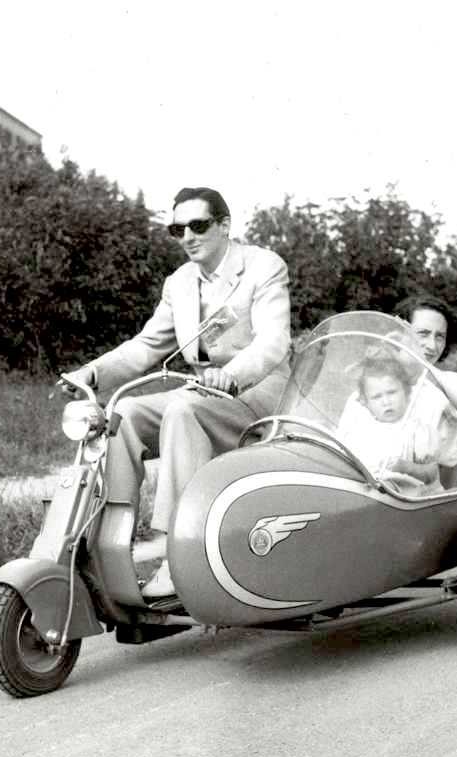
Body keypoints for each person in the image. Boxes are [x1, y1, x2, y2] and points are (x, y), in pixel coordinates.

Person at [63, 187, 291, 597]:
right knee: (125, 415)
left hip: (259, 395)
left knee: (183, 410)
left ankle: (179, 556)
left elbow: (273, 342)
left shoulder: (262, 266)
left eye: (198, 226)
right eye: (176, 229)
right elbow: (147, 345)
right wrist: (91, 373)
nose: (187, 236)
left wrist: (232, 375)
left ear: (225, 226)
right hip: (204, 394)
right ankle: (109, 549)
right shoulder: (180, 282)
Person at [336, 347, 457, 495]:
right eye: (377, 397)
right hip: (372, 497)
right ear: (365, 402)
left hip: (410, 502)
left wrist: (405, 467)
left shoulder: (417, 430)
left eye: (392, 392)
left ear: (406, 393)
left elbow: (431, 474)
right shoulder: (362, 430)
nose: (386, 401)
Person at [396, 295, 457, 426]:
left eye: (440, 337)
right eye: (423, 333)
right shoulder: (372, 381)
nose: (432, 345)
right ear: (401, 333)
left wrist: (423, 367)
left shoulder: (451, 382)